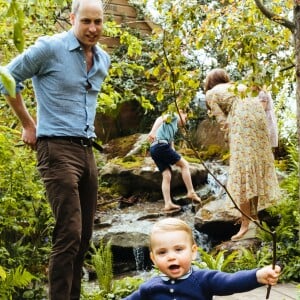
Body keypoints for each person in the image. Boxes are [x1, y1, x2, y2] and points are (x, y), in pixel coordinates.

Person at [0, 0, 110, 299]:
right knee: (69, 232)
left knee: (84, 237)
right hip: (56, 148)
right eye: (86, 21)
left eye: (98, 22)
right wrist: (28, 124)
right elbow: (7, 76)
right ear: (72, 18)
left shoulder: (103, 61)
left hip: (87, 151)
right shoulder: (49, 48)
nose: (92, 28)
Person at [204, 68, 280, 241]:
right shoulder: (237, 86)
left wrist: (229, 139)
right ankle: (257, 220)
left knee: (241, 173)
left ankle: (245, 225)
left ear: (210, 83)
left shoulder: (210, 93)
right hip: (258, 116)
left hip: (242, 119)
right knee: (253, 167)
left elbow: (222, 121)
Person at [124, 217, 281, 299]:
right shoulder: (149, 288)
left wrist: (257, 276)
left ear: (193, 252)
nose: (171, 257)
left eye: (178, 249)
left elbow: (230, 281)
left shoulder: (203, 279)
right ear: (153, 258)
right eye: (162, 252)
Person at [148, 110, 202, 213]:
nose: (186, 120)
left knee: (167, 174)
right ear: (181, 112)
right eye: (186, 117)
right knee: (185, 165)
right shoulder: (174, 115)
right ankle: (191, 192)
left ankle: (168, 203)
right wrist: (153, 131)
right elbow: (160, 118)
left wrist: (174, 155)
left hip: (154, 148)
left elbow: (171, 143)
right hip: (160, 145)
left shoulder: (174, 126)